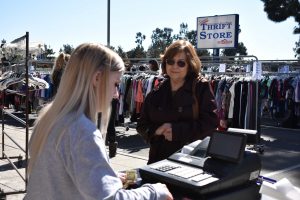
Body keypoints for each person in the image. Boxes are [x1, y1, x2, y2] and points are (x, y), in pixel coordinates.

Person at [25, 43, 173, 200]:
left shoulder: (53, 118)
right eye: (116, 84)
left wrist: (108, 178)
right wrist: (155, 191)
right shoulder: (81, 130)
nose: (117, 94)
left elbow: (62, 178)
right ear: (97, 78)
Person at [136, 40, 218, 164]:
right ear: (165, 63)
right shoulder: (157, 91)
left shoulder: (201, 87)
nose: (174, 66)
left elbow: (210, 124)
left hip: (190, 162)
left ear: (190, 65)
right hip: (158, 161)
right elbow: (142, 125)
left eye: (181, 63)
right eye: (170, 61)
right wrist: (156, 130)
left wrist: (177, 131)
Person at [106, 85, 119, 158]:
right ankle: (112, 151)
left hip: (110, 98)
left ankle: (112, 151)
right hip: (112, 97)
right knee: (110, 123)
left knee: (109, 123)